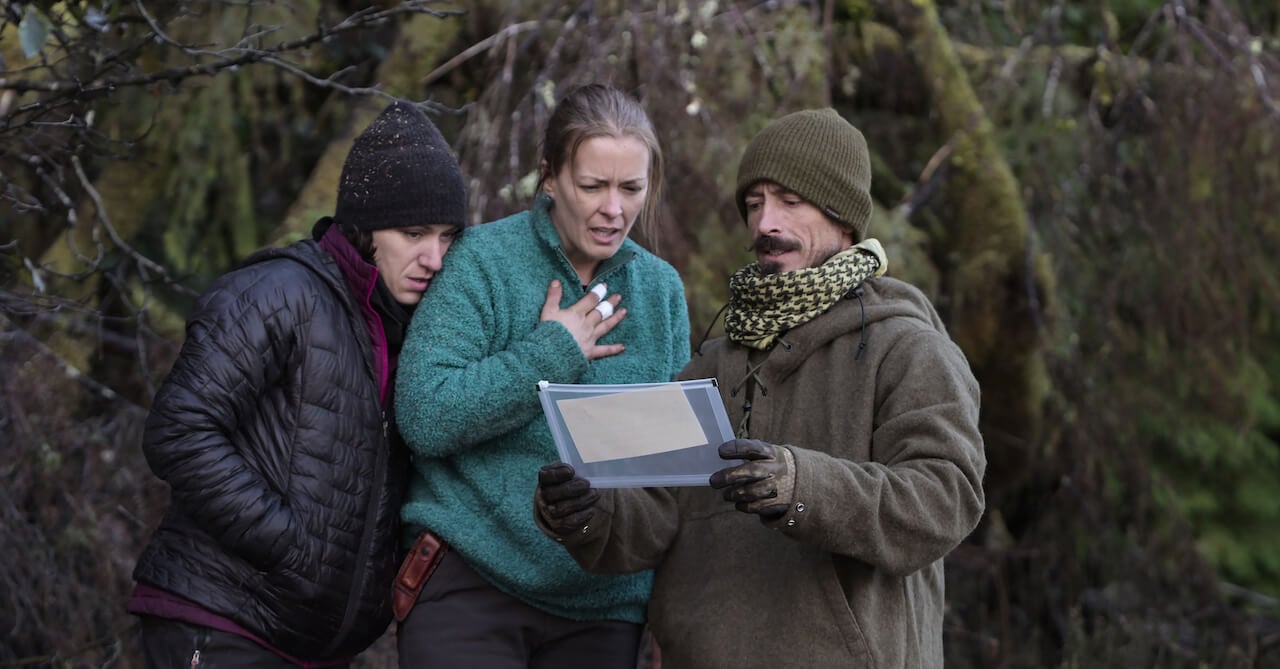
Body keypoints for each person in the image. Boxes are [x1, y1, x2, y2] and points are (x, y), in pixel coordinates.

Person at [534, 108, 987, 668]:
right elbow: (656, 515)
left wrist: (803, 486)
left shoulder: (908, 347)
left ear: (843, 217)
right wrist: (584, 514)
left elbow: (946, 500)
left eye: (790, 201)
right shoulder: (711, 364)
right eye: (754, 204)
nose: (765, 223)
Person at [126, 100, 467, 667]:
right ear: (365, 229)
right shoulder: (277, 292)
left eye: (448, 236)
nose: (434, 257)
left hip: (312, 647)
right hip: (224, 620)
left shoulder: (412, 329)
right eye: (413, 233)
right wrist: (286, 542)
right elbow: (178, 431)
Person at [393, 83, 690, 668]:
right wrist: (551, 353)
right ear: (550, 178)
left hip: (604, 607)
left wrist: (668, 611)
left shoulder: (661, 292)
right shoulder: (482, 260)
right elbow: (424, 414)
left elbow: (669, 474)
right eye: (593, 186)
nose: (614, 209)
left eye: (631, 188)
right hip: (471, 583)